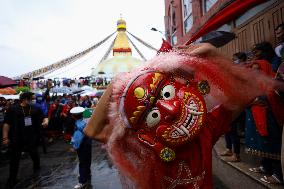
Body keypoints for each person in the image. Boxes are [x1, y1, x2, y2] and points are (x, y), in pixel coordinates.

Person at [84, 43, 284, 189]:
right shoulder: (145, 148)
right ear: (144, 132)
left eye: (167, 94)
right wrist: (118, 82)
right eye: (153, 114)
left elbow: (249, 87)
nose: (170, 110)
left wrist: (211, 52)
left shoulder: (205, 130)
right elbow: (92, 130)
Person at [245, 61, 283, 184]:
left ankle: (278, 175)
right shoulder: (254, 83)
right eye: (253, 69)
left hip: (270, 119)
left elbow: (270, 98)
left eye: (258, 70)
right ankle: (265, 167)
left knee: (272, 145)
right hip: (257, 116)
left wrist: (258, 99)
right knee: (263, 144)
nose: (255, 72)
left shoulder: (272, 83)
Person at [2, 92, 44, 188]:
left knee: (35, 156)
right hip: (16, 137)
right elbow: (6, 124)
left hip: (31, 137)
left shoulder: (35, 108)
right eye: (32, 99)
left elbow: (44, 118)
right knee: (14, 159)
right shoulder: (13, 109)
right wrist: (5, 138)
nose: (33, 100)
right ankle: (12, 179)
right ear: (25, 99)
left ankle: (37, 174)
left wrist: (45, 121)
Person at [70, 107, 92, 189]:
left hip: (82, 146)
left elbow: (78, 138)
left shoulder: (77, 125)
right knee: (88, 159)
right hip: (88, 144)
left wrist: (75, 147)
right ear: (82, 115)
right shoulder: (84, 123)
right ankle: (88, 173)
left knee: (82, 163)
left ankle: (82, 181)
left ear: (73, 116)